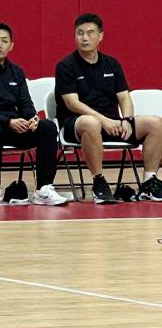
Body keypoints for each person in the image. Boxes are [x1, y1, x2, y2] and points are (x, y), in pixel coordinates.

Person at [54, 13, 162, 204]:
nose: (85, 38)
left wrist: (126, 120)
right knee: (91, 123)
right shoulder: (65, 66)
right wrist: (104, 121)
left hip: (112, 123)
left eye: (90, 33)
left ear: (100, 36)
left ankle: (149, 182)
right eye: (80, 33)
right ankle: (99, 182)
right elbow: (72, 103)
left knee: (155, 123)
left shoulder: (112, 64)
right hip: (77, 124)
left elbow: (124, 97)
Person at [0, 23, 67, 207]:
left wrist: (32, 119)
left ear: (11, 46)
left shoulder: (16, 72)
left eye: (4, 41)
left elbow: (25, 103)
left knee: (47, 127)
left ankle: (43, 189)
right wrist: (7, 121)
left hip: (15, 126)